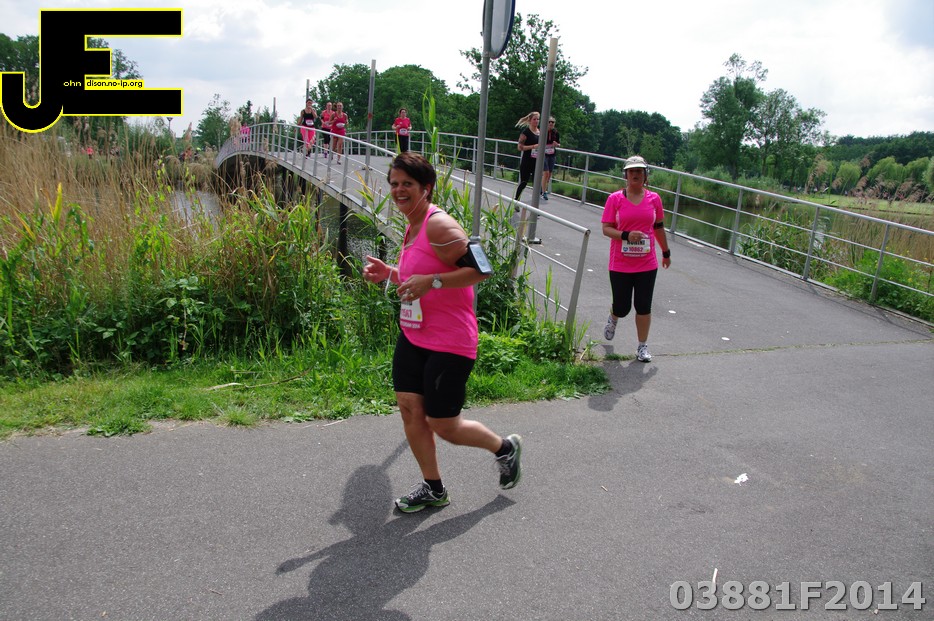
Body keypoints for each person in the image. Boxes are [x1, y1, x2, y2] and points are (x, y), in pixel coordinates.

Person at [362, 152, 523, 513]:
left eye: (407, 184)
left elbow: (482, 270)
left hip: (450, 341)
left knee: (444, 424)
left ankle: (504, 448)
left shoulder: (440, 226)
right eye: (394, 184)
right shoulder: (413, 223)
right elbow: (419, 275)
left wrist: (433, 281)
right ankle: (433, 488)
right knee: (409, 409)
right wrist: (390, 274)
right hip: (414, 334)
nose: (399, 190)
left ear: (427, 188)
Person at [600, 155, 671, 362]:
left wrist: (665, 252)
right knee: (622, 307)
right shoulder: (615, 199)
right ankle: (614, 317)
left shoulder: (654, 199)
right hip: (620, 263)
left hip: (647, 263)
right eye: (632, 171)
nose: (635, 175)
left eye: (639, 171)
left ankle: (642, 347)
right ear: (626, 175)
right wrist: (626, 235)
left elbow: (658, 227)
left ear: (645, 175)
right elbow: (606, 228)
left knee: (643, 306)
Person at [513, 112, 541, 202]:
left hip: (537, 161)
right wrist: (533, 146)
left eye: (538, 119)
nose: (536, 121)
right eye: (534, 119)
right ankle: (516, 201)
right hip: (527, 160)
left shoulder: (540, 132)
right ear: (530, 121)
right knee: (524, 182)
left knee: (537, 183)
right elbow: (520, 147)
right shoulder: (525, 133)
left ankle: (535, 204)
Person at [541, 116, 560, 200]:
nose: (551, 123)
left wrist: (557, 144)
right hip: (543, 154)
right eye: (549, 122)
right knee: (546, 172)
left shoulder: (556, 132)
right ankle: (544, 192)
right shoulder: (542, 131)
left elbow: (559, 143)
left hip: (552, 154)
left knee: (549, 174)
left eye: (553, 122)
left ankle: (542, 188)